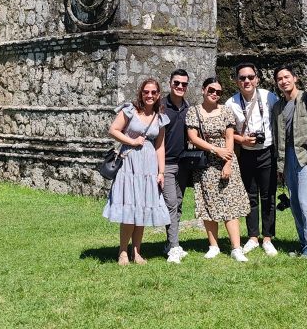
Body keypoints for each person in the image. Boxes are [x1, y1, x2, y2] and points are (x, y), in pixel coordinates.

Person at [102, 78, 171, 265]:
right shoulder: (130, 110)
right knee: (129, 208)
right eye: (146, 92)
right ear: (141, 93)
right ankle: (123, 251)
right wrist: (132, 141)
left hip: (148, 167)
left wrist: (161, 172)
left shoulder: (160, 117)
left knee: (142, 208)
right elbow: (113, 130)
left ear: (158, 95)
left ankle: (136, 251)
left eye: (153, 92)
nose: (149, 95)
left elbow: (160, 146)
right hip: (130, 164)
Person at [186, 77, 251, 262]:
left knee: (230, 203)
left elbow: (229, 137)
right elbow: (193, 137)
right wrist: (215, 149)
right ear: (203, 90)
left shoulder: (226, 111)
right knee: (208, 203)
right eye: (211, 90)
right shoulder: (194, 111)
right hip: (206, 163)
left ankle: (236, 247)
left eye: (218, 92)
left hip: (226, 160)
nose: (215, 94)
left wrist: (228, 162)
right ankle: (213, 245)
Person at [226, 62, 279, 256]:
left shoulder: (269, 97)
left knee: (268, 196)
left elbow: (277, 122)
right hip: (246, 153)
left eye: (250, 77)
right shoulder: (231, 103)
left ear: (257, 78)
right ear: (236, 81)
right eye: (242, 78)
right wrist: (242, 139)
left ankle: (267, 238)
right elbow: (228, 132)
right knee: (249, 196)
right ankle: (252, 237)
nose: (247, 81)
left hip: (266, 151)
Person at [271, 66, 307, 257]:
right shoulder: (278, 106)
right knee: (295, 202)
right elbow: (278, 136)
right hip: (287, 156)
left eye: (287, 77)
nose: (284, 81)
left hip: (304, 154)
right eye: (280, 79)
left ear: (295, 78)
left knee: (305, 200)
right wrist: (280, 164)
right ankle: (304, 243)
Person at [161, 69, 192, 264]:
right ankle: (173, 248)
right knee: (171, 204)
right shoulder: (162, 106)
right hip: (166, 164)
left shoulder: (188, 107)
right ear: (170, 83)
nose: (180, 87)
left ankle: (170, 242)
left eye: (184, 84)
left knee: (178, 205)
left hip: (183, 164)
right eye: (177, 83)